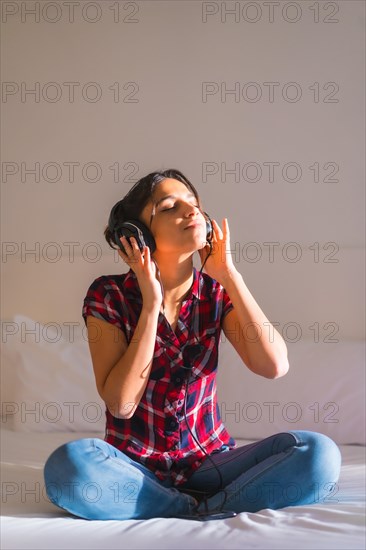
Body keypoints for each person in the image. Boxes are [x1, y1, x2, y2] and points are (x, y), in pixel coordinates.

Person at [44, 168, 341, 521]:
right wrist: (151, 305)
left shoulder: (215, 292)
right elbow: (121, 404)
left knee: (318, 454)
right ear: (137, 236)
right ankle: (185, 507)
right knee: (68, 467)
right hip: (134, 470)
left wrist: (230, 275)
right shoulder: (107, 294)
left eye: (195, 204)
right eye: (170, 206)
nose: (192, 211)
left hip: (210, 465)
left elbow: (274, 365)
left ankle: (201, 506)